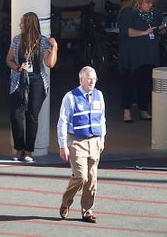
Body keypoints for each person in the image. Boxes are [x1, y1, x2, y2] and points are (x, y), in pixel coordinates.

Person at [5, 11, 59, 163]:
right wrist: (17, 67)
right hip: (19, 80)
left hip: (37, 81)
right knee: (16, 115)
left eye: (22, 22)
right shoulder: (16, 40)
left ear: (29, 24)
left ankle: (28, 151)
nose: (19, 25)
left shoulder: (42, 42)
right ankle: (19, 149)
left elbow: (50, 64)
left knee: (32, 116)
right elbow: (8, 60)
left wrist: (54, 47)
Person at [57, 66, 106, 224]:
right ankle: (66, 201)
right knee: (81, 176)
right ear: (81, 80)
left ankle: (87, 211)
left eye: (94, 79)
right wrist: (63, 145)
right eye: (89, 78)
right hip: (77, 140)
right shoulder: (70, 97)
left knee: (92, 179)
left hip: (94, 140)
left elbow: (102, 118)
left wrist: (102, 139)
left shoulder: (99, 95)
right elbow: (62, 122)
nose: (92, 81)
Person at [117, 0, 164, 122]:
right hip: (132, 54)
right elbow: (125, 31)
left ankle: (144, 110)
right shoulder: (129, 12)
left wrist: (161, 31)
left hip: (149, 53)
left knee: (146, 82)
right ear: (139, 0)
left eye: (151, 3)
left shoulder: (155, 13)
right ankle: (127, 112)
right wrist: (143, 33)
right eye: (147, 2)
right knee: (129, 82)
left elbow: (156, 29)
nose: (150, 5)